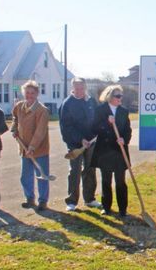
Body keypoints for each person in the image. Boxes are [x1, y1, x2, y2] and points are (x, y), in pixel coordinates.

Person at [59, 77, 101, 212]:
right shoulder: (67, 104)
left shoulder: (91, 101)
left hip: (92, 142)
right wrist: (80, 139)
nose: (79, 91)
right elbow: (66, 127)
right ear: (72, 88)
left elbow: (97, 119)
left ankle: (89, 199)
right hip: (75, 144)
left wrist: (95, 134)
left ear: (85, 87)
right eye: (76, 88)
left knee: (90, 169)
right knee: (75, 171)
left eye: (81, 88)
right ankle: (72, 201)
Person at [91, 85, 131, 217]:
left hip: (119, 151)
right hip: (105, 151)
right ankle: (106, 207)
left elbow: (127, 130)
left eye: (121, 96)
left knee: (120, 181)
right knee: (106, 181)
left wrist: (124, 140)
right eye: (117, 96)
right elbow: (94, 128)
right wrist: (107, 124)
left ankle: (122, 209)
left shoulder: (124, 112)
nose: (120, 98)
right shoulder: (100, 110)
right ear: (110, 96)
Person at [11, 80, 51, 212]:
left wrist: (32, 147)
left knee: (42, 176)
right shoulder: (19, 106)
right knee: (25, 176)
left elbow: (40, 131)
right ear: (24, 93)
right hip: (24, 148)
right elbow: (15, 119)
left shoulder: (42, 110)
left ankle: (43, 201)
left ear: (37, 94)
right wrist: (14, 129)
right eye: (27, 92)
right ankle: (29, 199)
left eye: (32, 93)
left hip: (39, 150)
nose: (29, 95)